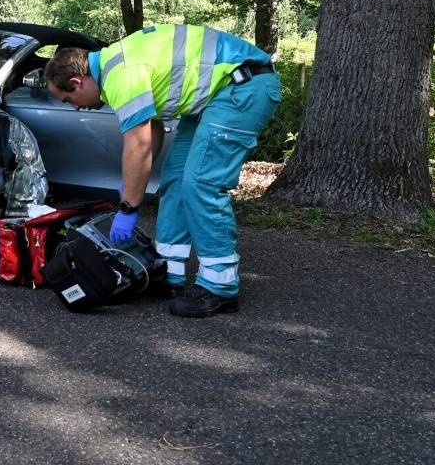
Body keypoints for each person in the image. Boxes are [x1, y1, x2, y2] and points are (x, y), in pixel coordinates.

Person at [44, 24, 281, 318]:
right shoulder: (115, 64)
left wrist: (129, 207)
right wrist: (131, 186)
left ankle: (220, 287)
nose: (76, 109)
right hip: (219, 94)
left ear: (77, 82)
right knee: (176, 181)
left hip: (243, 87)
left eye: (68, 100)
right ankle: (169, 272)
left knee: (200, 183)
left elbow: (139, 145)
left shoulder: (121, 75)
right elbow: (151, 130)